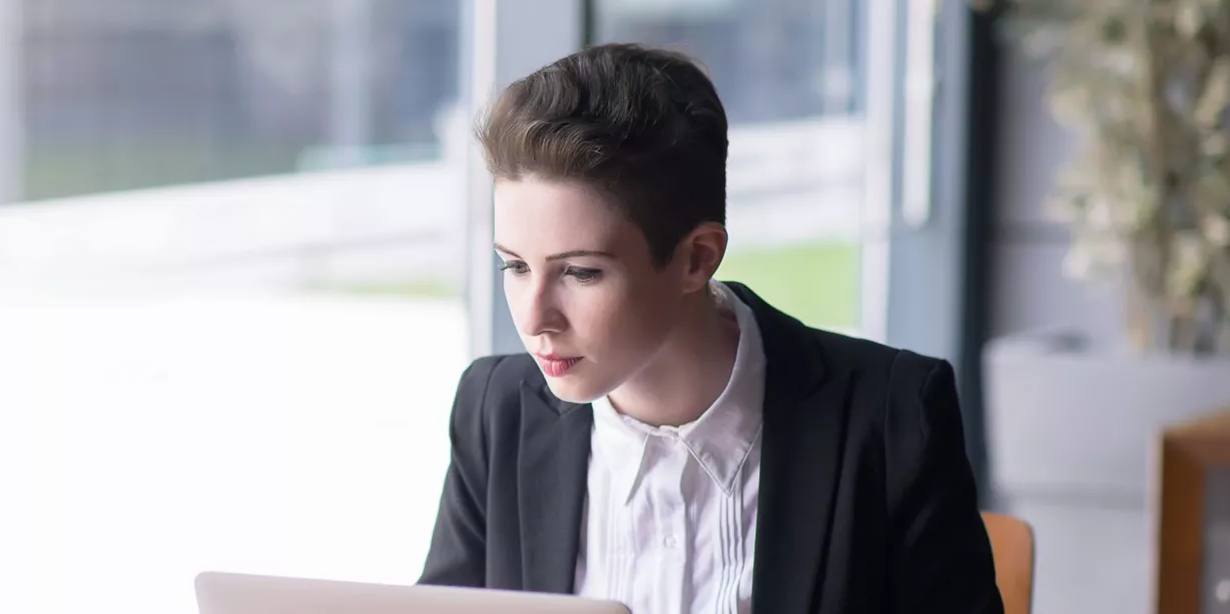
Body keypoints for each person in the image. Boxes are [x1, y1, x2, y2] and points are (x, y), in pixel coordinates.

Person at [416, 43, 1004, 614]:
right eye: (514, 266)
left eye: (580, 272)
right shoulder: (495, 411)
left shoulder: (892, 417)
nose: (533, 316)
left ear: (696, 258)